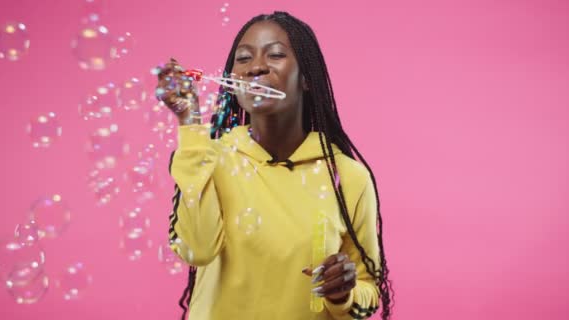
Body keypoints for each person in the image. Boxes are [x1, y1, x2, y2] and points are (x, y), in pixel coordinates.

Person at [157, 11, 394, 320]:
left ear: (307, 78)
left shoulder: (347, 177)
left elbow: (368, 294)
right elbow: (196, 250)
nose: (256, 67)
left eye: (277, 55)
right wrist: (189, 122)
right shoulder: (206, 158)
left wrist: (344, 293)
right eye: (243, 59)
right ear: (231, 81)